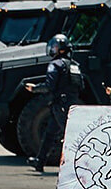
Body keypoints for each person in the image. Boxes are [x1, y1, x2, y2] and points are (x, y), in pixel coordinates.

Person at [28, 33, 82, 172]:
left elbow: (49, 85)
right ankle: (39, 161)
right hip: (71, 103)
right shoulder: (74, 65)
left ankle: (80, 165)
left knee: (69, 135)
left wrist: (35, 88)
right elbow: (80, 86)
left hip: (61, 104)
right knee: (50, 133)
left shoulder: (55, 64)